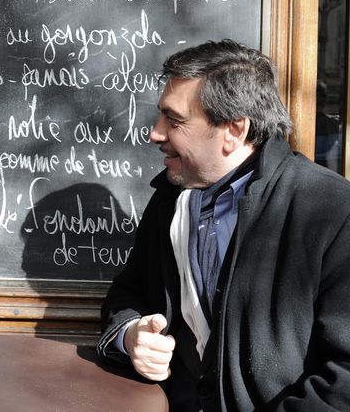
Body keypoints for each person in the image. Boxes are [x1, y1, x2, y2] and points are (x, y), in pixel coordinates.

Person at [97, 39, 350, 411]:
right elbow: (127, 292)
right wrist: (130, 334)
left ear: (234, 130)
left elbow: (343, 378)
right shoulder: (169, 198)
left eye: (175, 120)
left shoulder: (331, 211)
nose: (155, 133)